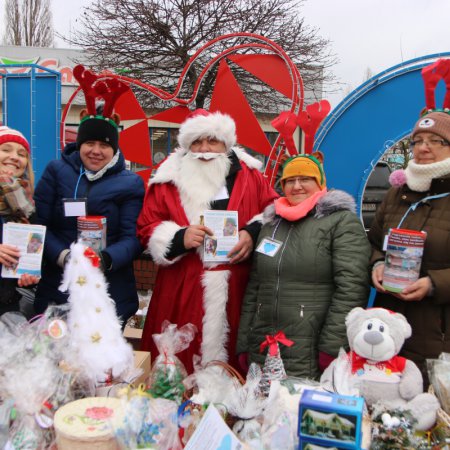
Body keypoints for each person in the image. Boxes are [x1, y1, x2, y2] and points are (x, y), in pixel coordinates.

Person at [137, 109, 278, 373]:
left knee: (233, 362)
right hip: (183, 286)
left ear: (226, 144)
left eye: (212, 140)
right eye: (196, 142)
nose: (204, 149)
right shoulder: (167, 179)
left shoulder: (251, 175)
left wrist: (252, 232)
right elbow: (147, 225)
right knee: (178, 363)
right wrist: (179, 237)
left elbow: (272, 210)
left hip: (236, 286)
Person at [237, 152, 371, 379]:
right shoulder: (272, 224)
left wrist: (332, 346)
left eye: (305, 179)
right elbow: (255, 287)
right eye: (289, 180)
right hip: (264, 345)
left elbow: (352, 287)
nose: (296, 186)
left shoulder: (341, 222)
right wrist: (243, 342)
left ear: (320, 184)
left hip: (311, 346)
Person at [33, 107, 145, 324]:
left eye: (104, 145)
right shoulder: (56, 171)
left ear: (114, 149)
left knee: (100, 353)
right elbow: (39, 226)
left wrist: (105, 259)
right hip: (59, 284)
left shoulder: (131, 183)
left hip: (109, 287)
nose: (96, 151)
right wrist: (64, 256)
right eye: (89, 143)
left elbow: (133, 237)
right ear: (79, 144)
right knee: (52, 353)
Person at [369, 109, 450, 386]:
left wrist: (434, 284)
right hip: (388, 324)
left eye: (435, 140)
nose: (423, 148)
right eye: (418, 140)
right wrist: (377, 263)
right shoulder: (397, 193)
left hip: (436, 332)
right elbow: (374, 242)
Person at [0, 126, 40, 315]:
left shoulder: (27, 206)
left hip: (7, 306)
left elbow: (33, 249)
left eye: (21, 153)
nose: (15, 157)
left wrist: (27, 274)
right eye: (6, 150)